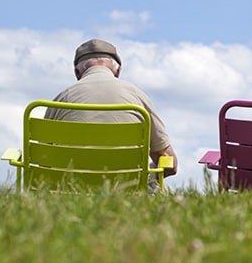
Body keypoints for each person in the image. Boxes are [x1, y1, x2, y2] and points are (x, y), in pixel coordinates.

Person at [44, 38, 178, 177]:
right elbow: (170, 163)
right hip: (128, 189)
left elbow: (43, 162)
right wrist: (142, 174)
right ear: (118, 71)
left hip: (69, 188)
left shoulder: (61, 99)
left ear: (77, 73)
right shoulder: (137, 97)